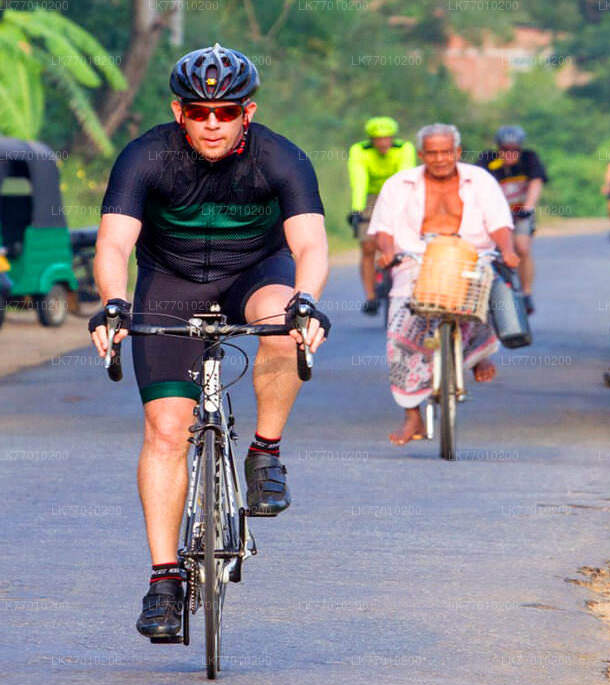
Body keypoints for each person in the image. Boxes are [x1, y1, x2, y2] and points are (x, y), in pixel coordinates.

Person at [86, 44, 330, 642]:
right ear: (179, 112)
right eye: (199, 112)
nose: (213, 123)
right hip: (171, 284)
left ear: (249, 112)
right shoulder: (145, 155)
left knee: (283, 324)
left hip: (254, 274)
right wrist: (114, 302)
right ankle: (165, 580)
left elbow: (310, 244)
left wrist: (306, 300)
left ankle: (265, 453)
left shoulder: (283, 157)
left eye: (226, 112)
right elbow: (113, 243)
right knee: (167, 430)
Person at [371, 123, 520, 445]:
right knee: (400, 322)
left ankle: (477, 354)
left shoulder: (480, 180)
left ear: (457, 152)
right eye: (432, 153)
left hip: (471, 254)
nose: (440, 159)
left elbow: (499, 223)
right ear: (421, 154)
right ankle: (412, 415)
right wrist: (387, 251)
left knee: (483, 291)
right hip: (416, 257)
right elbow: (384, 228)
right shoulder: (399, 184)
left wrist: (508, 250)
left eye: (446, 152)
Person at [347, 116, 417, 316]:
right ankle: (370, 297)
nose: (383, 143)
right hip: (370, 196)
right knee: (368, 246)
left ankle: (407, 289)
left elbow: (404, 178)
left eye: (387, 138)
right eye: (378, 139)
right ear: (371, 139)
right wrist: (357, 210)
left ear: (393, 138)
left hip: (397, 194)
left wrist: (405, 208)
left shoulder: (404, 148)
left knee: (402, 243)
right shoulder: (360, 150)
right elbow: (359, 180)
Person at [476, 125, 547, 314]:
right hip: (495, 214)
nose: (509, 154)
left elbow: (536, 183)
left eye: (514, 150)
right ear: (498, 149)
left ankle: (526, 293)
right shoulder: (487, 160)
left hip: (521, 212)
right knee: (490, 251)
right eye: (505, 150)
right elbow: (478, 185)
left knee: (522, 248)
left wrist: (528, 207)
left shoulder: (529, 159)